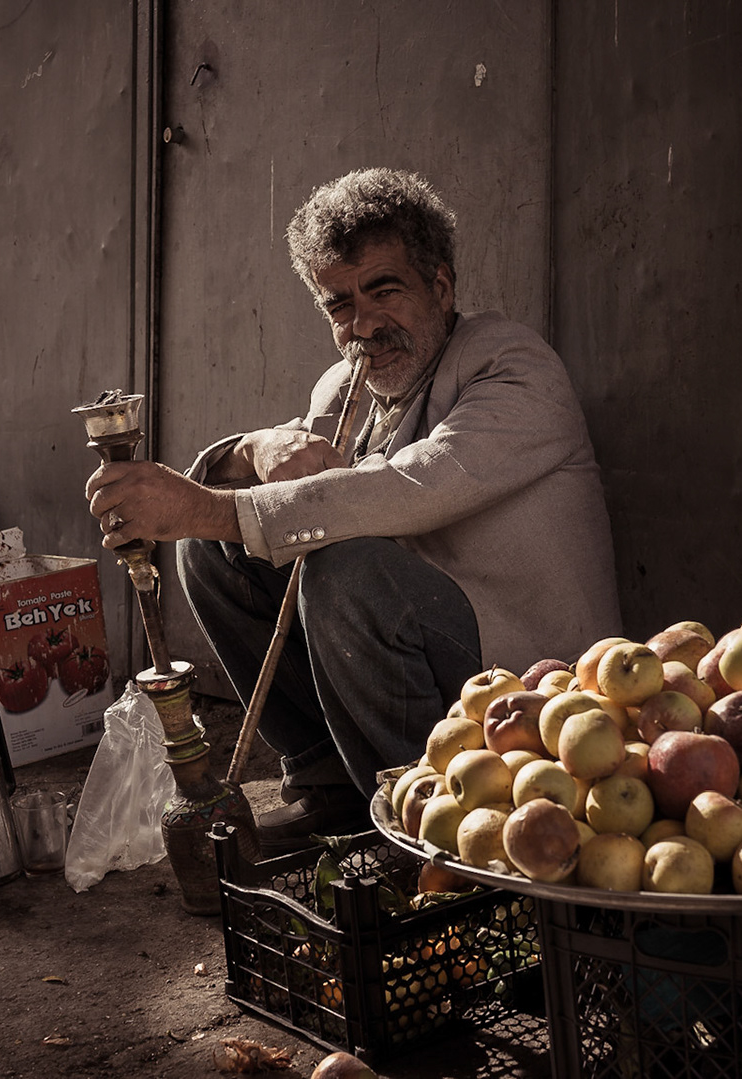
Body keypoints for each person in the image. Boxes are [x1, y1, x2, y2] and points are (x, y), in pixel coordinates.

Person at [84, 167, 619, 852]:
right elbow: (288, 484)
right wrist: (258, 446)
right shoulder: (347, 385)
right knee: (215, 552)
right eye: (340, 305)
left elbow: (409, 486)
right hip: (412, 653)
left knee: (342, 570)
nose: (364, 324)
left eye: (384, 290)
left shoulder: (513, 367)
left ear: (442, 287)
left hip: (534, 692)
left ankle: (428, 824)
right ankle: (332, 789)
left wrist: (205, 508)